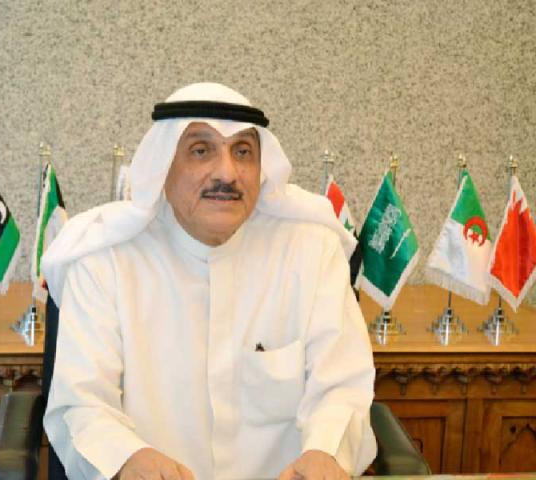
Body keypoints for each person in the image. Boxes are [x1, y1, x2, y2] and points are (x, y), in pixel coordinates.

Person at [41, 82, 377, 480]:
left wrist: (326, 453)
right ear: (163, 166)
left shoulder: (311, 250)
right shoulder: (104, 262)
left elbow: (342, 386)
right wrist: (127, 459)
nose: (227, 173)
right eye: (201, 151)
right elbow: (81, 404)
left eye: (243, 152)